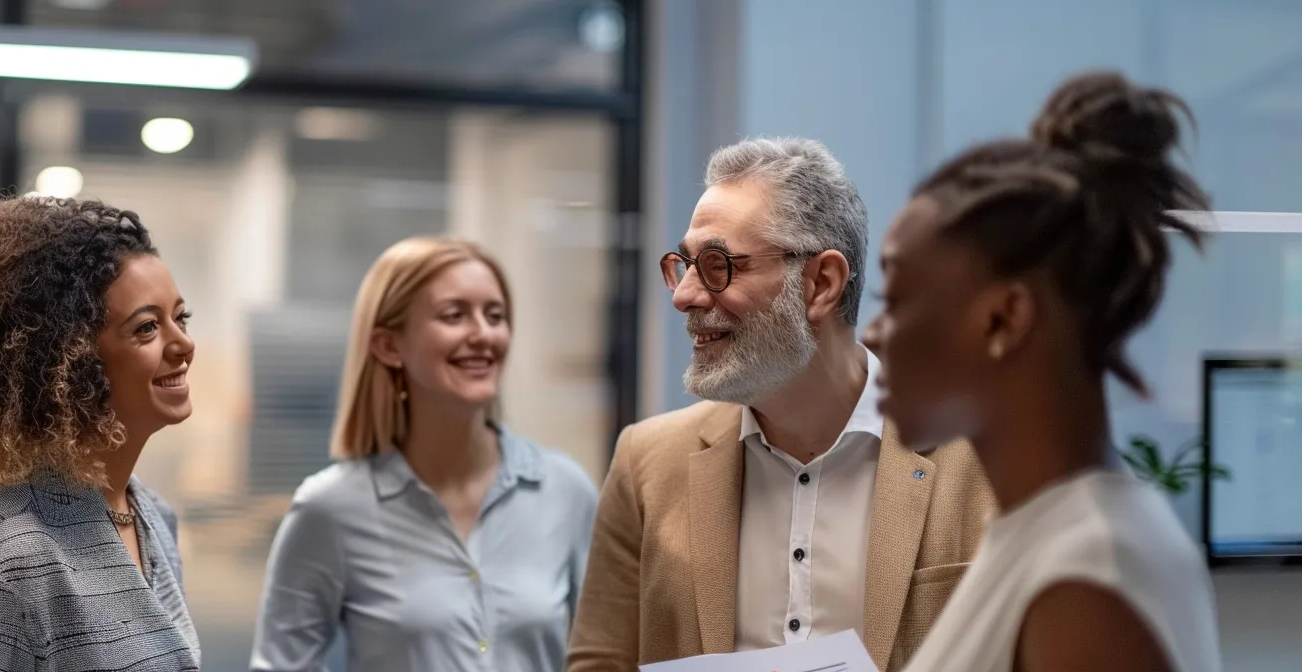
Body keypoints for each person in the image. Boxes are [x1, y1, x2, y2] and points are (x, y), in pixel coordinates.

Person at [567, 138, 996, 671]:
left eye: (718, 264)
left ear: (821, 283)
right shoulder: (647, 462)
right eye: (685, 264)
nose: (685, 296)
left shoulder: (990, 458)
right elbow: (600, 664)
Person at [865, 71, 1222, 672]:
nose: (873, 334)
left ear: (1004, 319)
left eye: (895, 300)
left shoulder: (1087, 579)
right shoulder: (1050, 534)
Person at [250, 237, 600, 672]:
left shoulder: (565, 490)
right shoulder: (330, 509)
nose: (483, 334)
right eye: (454, 315)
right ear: (388, 346)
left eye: (495, 316)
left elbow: (605, 656)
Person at [0, 197, 200, 671]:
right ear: (74, 360)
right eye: (147, 327)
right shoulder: (8, 566)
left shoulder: (153, 520)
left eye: (180, 318)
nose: (184, 344)